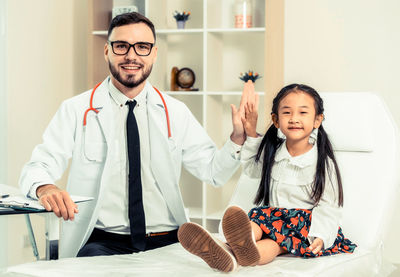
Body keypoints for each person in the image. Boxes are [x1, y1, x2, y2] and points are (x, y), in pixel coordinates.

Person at [19, 12, 247, 258]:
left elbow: (213, 172)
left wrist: (236, 139)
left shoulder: (175, 112)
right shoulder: (76, 109)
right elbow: (38, 165)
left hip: (168, 239)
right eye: (121, 46)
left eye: (142, 47)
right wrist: (45, 187)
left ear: (154, 53)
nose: (131, 56)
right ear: (107, 51)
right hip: (102, 242)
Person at [178, 83, 357, 272]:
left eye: (303, 113)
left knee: (274, 244)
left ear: (317, 120)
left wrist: (320, 235)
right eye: (287, 112)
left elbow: (329, 205)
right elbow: (252, 170)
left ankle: (232, 254)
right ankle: (229, 248)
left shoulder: (323, 163)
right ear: (276, 120)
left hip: (302, 226)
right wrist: (250, 132)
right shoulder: (273, 152)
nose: (294, 118)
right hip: (271, 216)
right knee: (253, 227)